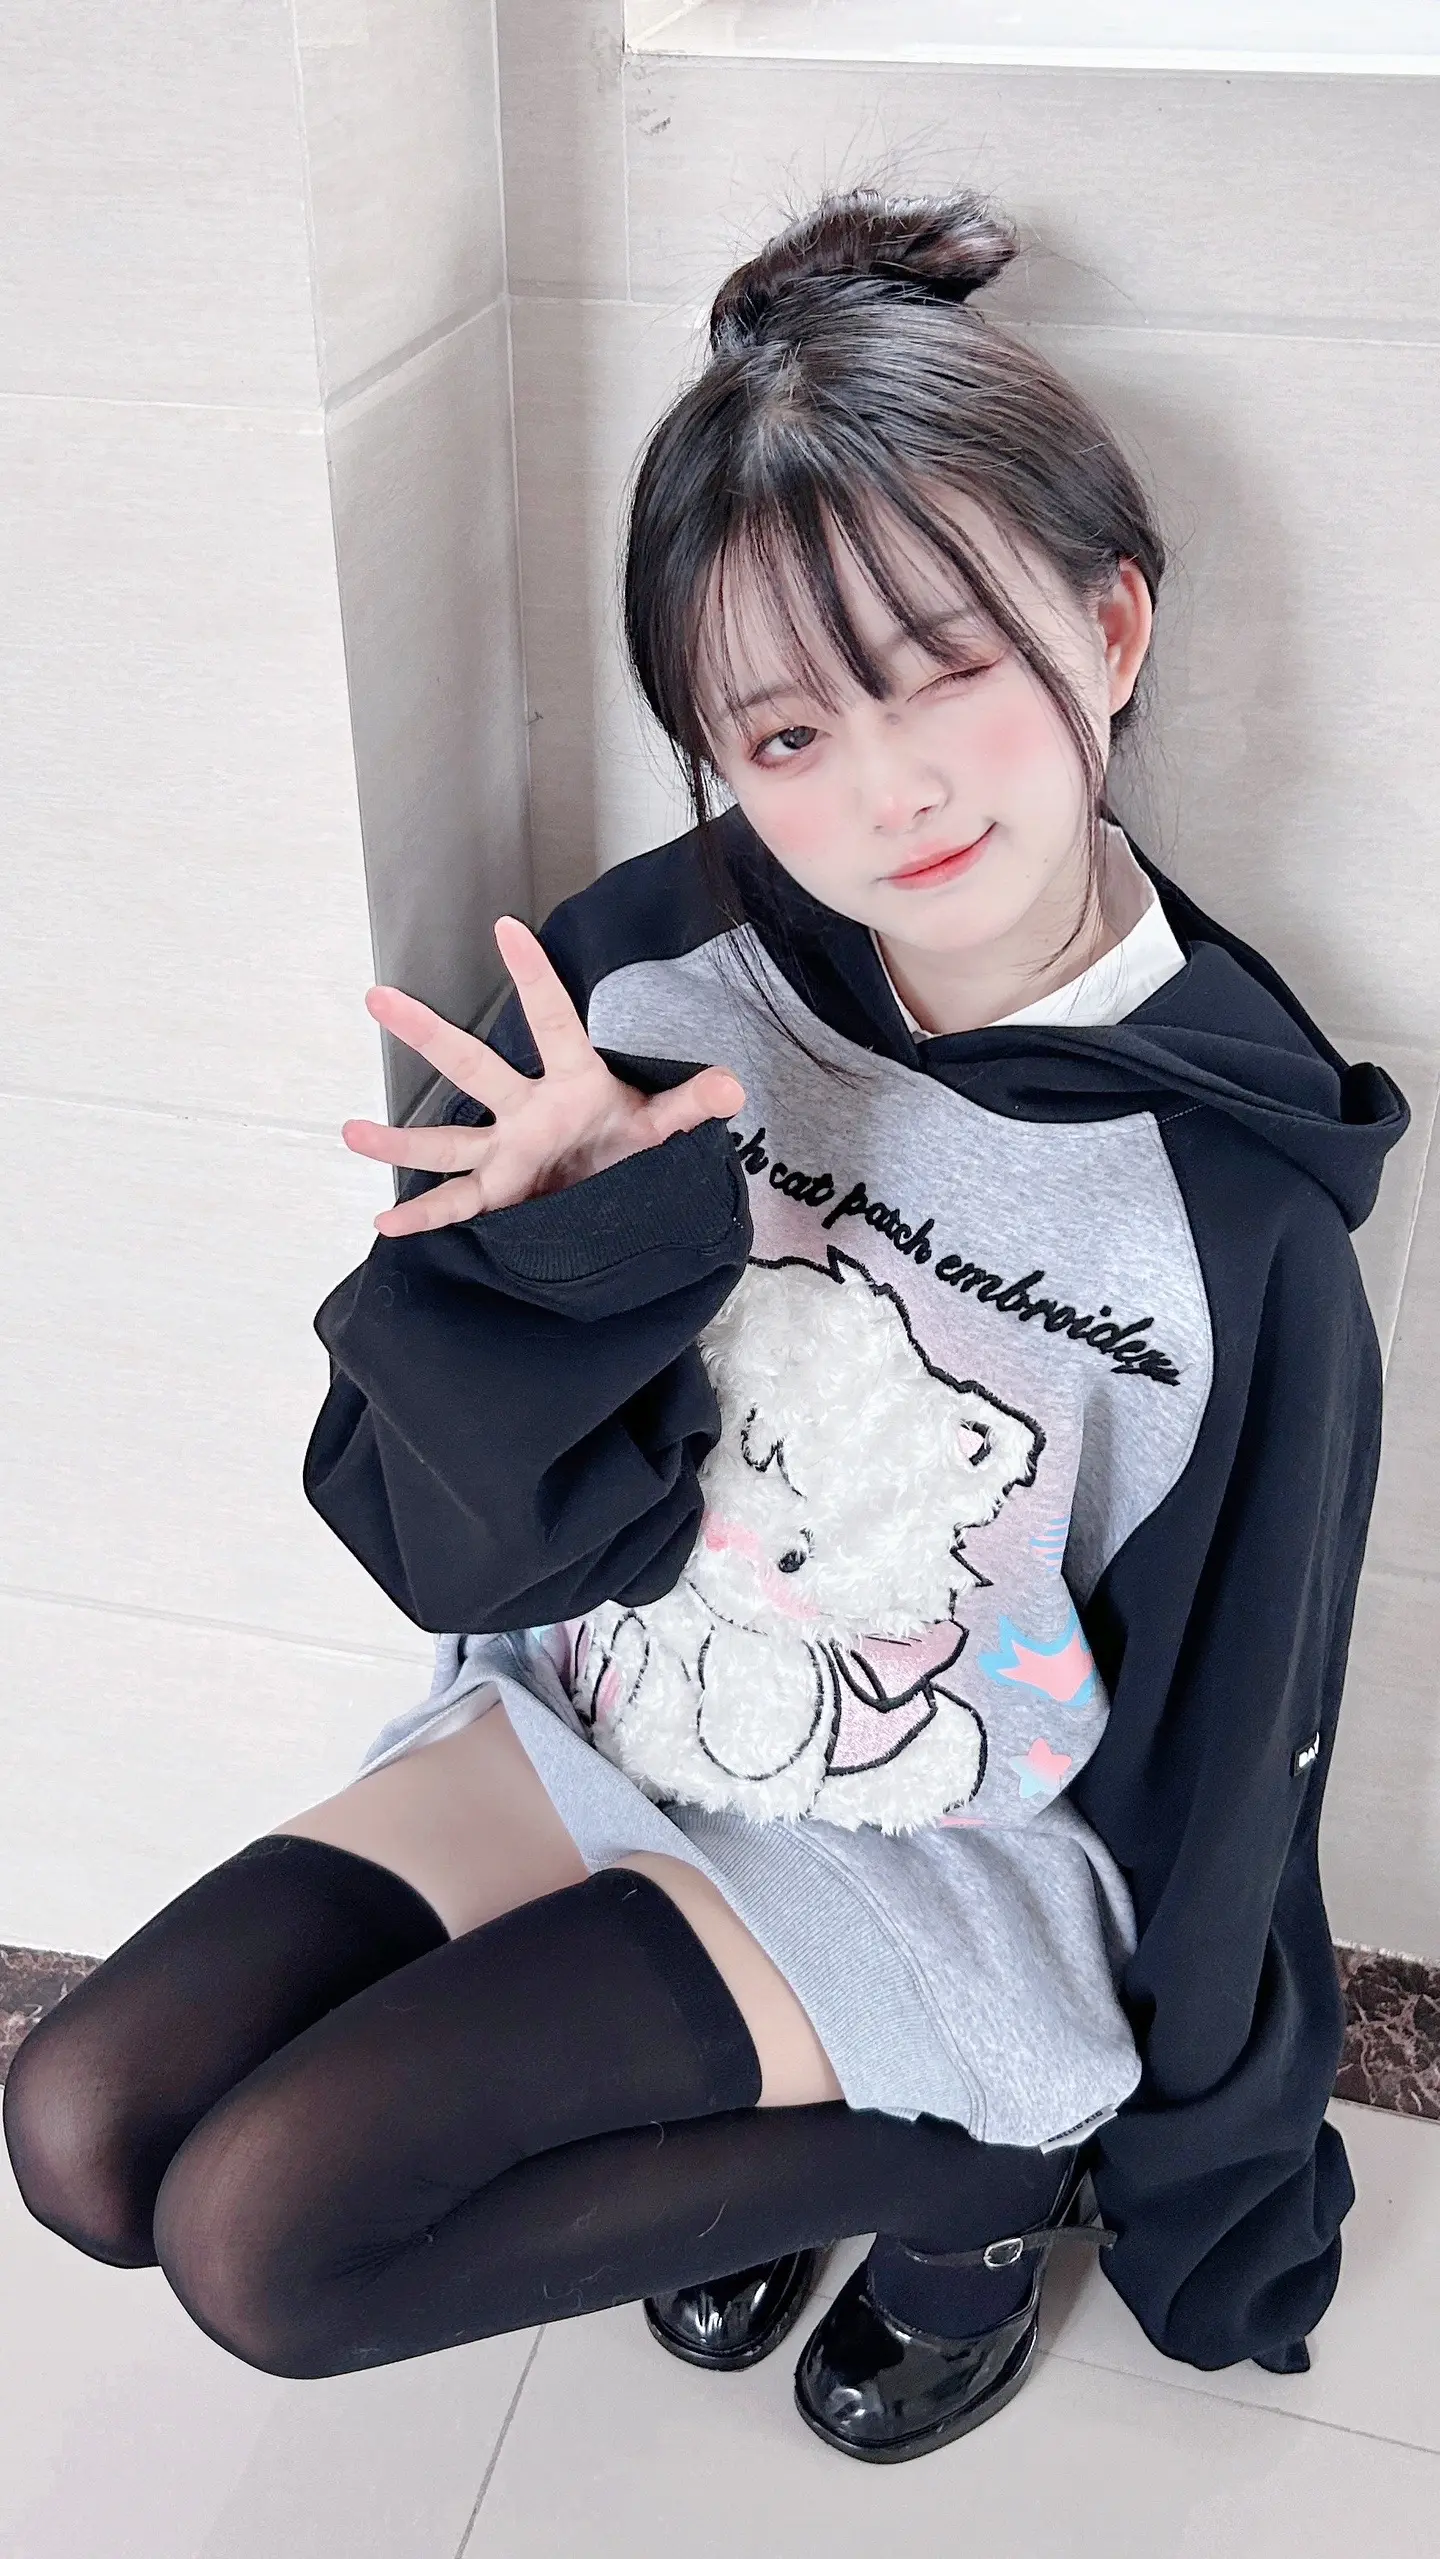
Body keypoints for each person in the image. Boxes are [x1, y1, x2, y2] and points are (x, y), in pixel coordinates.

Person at [4, 186, 1408, 2467]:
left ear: (1110, 624)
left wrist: (1194, 2152)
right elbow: (453, 1549)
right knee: (84, 2123)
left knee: (270, 2241)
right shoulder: (641, 991)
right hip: (608, 1709)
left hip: (936, 1837)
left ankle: (969, 2180)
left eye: (948, 666)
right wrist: (561, 1270)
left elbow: (1243, 1729)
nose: (889, 791)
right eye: (785, 731)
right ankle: (741, 2138)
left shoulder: (1228, 1203)